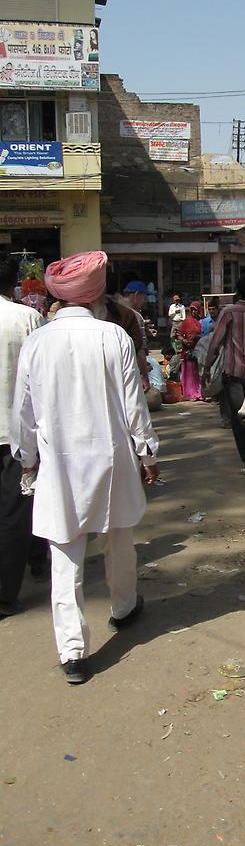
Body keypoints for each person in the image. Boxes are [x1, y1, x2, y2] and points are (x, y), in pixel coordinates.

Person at [11, 251, 159, 684]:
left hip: (58, 464)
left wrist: (26, 459)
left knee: (64, 555)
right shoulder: (113, 337)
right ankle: (124, 607)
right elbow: (135, 407)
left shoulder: (37, 342)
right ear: (97, 297)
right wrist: (148, 454)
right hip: (111, 460)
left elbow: (23, 413)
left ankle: (72, 651)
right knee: (119, 540)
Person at [0, 255, 43, 619]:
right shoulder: (27, 318)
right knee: (16, 509)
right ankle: (6, 591)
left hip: (14, 430)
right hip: (16, 431)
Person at [204, 275, 245, 474]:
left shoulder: (229, 312)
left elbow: (215, 342)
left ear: (237, 291)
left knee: (239, 416)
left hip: (232, 372)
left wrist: (206, 367)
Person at [177, 302, 203, 401]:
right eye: (192, 310)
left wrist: (196, 337)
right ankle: (189, 393)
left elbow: (205, 335)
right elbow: (179, 334)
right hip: (187, 350)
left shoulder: (202, 322)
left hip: (199, 349)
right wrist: (183, 340)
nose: (193, 312)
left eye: (195, 309)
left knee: (198, 372)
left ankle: (198, 392)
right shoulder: (186, 322)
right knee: (188, 373)